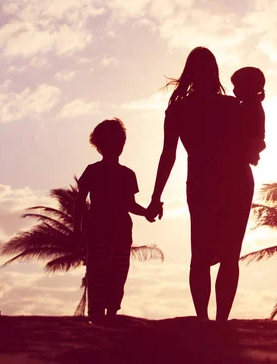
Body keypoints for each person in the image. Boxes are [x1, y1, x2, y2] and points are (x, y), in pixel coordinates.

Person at [147, 47, 255, 322]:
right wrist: (156, 196)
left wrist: (156, 197)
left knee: (208, 253)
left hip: (213, 181)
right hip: (227, 181)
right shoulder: (229, 106)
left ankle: (207, 321)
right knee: (222, 254)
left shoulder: (181, 109)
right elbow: (168, 154)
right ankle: (213, 322)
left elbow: (168, 154)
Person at [74, 118, 155, 321]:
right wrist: (77, 229)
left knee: (117, 277)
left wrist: (146, 212)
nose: (116, 146)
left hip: (121, 233)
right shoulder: (92, 171)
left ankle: (110, 315)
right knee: (97, 276)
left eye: (119, 141)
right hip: (98, 232)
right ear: (100, 146)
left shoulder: (128, 174)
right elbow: (79, 201)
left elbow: (129, 204)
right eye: (111, 141)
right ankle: (97, 316)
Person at [231, 66, 266, 166]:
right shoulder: (253, 104)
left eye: (237, 86)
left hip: (245, 149)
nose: (234, 90)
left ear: (249, 87)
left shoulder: (250, 107)